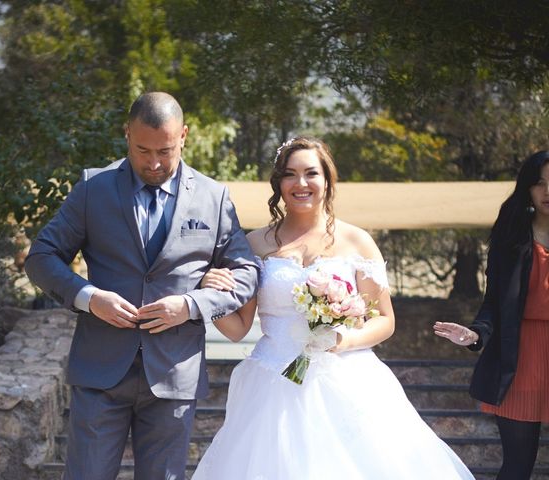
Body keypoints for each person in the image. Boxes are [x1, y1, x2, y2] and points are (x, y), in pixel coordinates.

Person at [192, 137, 474, 479]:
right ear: (278, 183)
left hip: (347, 377)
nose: (301, 183)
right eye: (290, 175)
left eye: (311, 173)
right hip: (272, 379)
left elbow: (384, 320)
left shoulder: (357, 240)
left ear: (327, 180)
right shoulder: (255, 243)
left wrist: (344, 340)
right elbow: (238, 329)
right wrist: (212, 297)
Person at [24, 92, 259, 480]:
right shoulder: (92, 189)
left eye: (165, 151)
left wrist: (192, 305)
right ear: (126, 135)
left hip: (174, 372)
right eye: (142, 150)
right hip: (100, 370)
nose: (153, 163)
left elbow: (247, 270)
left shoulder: (213, 198)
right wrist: (89, 297)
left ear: (184, 135)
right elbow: (41, 257)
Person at [434, 150, 549, 480]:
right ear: (527, 188)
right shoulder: (510, 238)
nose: (547, 192)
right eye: (539, 183)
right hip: (520, 359)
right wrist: (475, 334)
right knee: (517, 466)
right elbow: (494, 304)